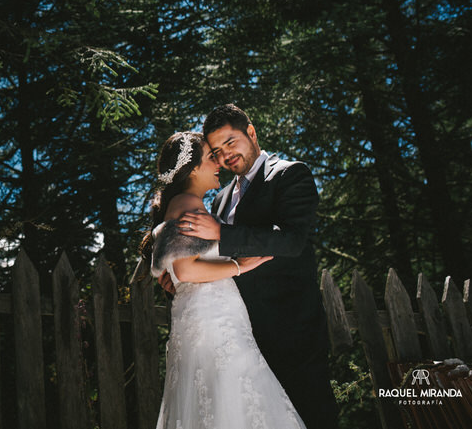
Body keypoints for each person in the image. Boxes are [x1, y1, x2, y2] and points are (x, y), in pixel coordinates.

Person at [177, 104, 339, 429]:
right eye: (217, 151)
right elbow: (224, 258)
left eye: (231, 142)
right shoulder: (220, 199)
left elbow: (291, 241)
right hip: (243, 340)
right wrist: (186, 277)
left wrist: (222, 233)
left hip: (293, 334)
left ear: (251, 133)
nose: (225, 156)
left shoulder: (290, 174)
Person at [140, 131, 306, 429]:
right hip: (214, 321)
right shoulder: (189, 202)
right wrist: (238, 265)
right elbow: (188, 270)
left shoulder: (181, 203)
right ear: (192, 169)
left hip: (204, 317)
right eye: (210, 158)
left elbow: (179, 270)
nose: (218, 162)